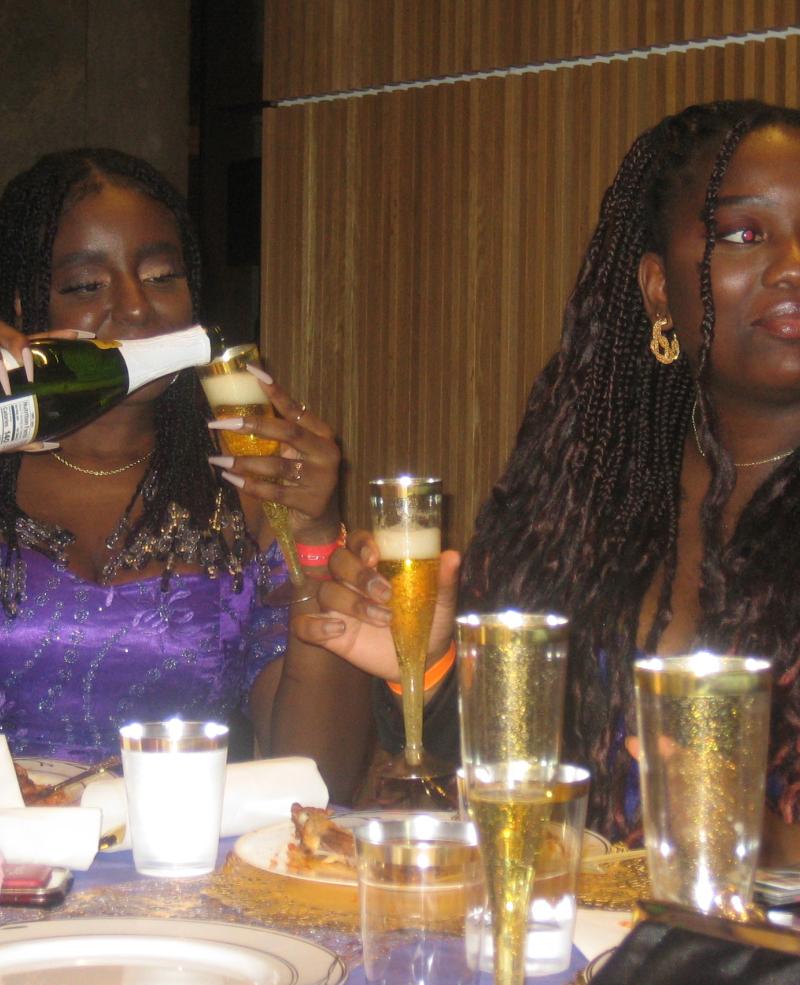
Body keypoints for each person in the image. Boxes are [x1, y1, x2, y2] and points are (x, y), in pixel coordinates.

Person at [296, 99, 800, 856]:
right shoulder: (590, 498)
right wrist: (430, 669)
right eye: (745, 234)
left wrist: (757, 843)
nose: (794, 264)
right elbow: (511, 810)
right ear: (659, 290)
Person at [0, 148, 371, 803]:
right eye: (87, 285)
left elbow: (315, 779)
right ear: (28, 305)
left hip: (182, 879)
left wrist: (312, 532)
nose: (137, 308)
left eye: (163, 275)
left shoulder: (245, 490)